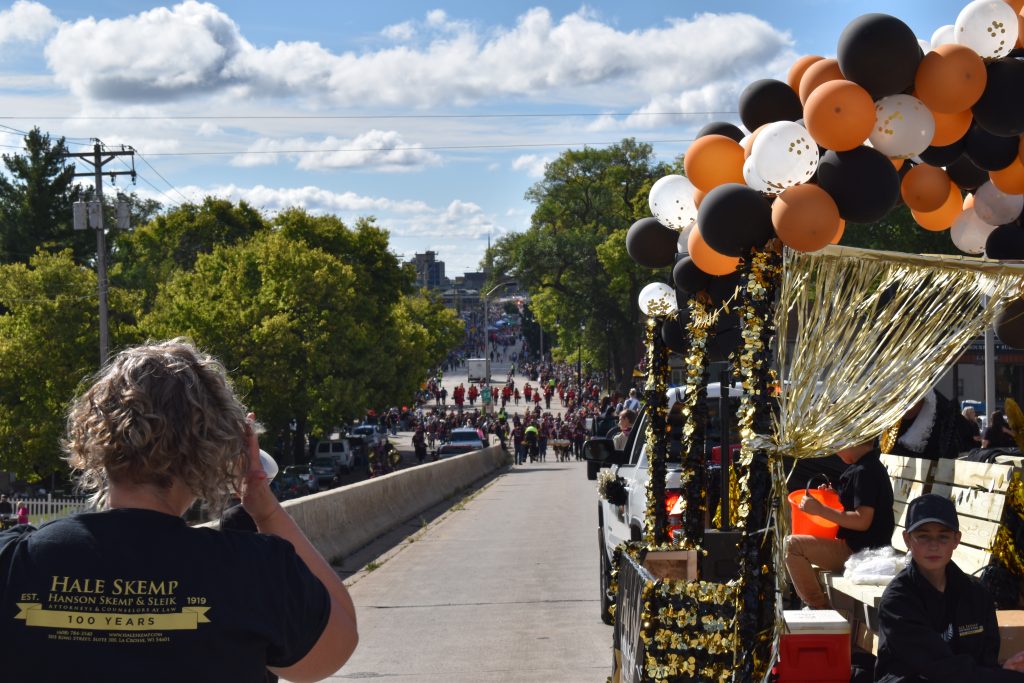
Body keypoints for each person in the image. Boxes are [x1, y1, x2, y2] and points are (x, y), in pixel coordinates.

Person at [0, 339, 358, 682]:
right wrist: (265, 509)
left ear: (95, 439)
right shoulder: (252, 571)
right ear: (212, 448)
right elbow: (335, 645)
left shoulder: (15, 561)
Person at [875, 493, 1024, 681]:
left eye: (943, 537)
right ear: (907, 540)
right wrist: (1004, 677)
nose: (934, 545)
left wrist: (1005, 670)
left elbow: (986, 660)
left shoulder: (977, 594)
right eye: (923, 536)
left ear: (956, 540)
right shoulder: (897, 602)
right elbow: (939, 668)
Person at [784, 438, 895, 610]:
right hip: (862, 547)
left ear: (854, 441)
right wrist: (834, 495)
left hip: (861, 552)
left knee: (791, 546)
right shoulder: (867, 467)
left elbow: (862, 521)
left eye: (838, 443)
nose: (834, 449)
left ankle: (819, 608)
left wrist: (820, 510)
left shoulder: (864, 471)